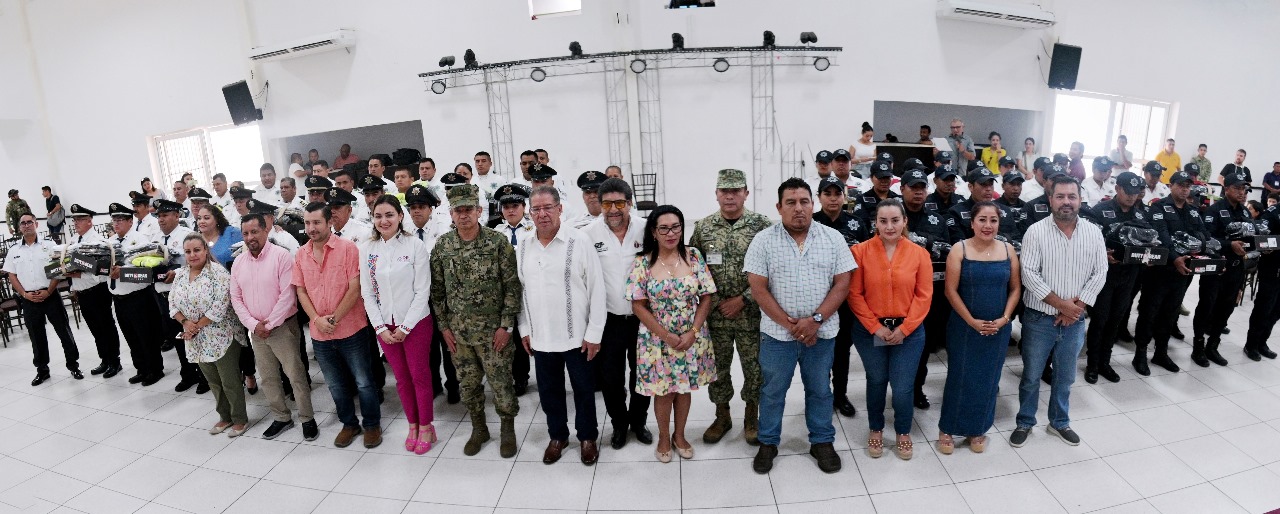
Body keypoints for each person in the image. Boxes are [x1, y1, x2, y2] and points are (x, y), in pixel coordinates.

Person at [745, 178, 855, 474]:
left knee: (820, 389)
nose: (798, 209)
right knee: (772, 390)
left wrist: (815, 320)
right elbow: (758, 288)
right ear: (779, 208)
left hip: (822, 332)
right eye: (790, 203)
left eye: (804, 202)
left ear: (813, 204)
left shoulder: (833, 239)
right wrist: (793, 325)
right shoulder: (763, 240)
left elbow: (842, 283)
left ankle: (821, 441)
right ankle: (768, 441)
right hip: (778, 335)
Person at [1009, 175, 1107, 448]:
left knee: (1065, 377)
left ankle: (1059, 422)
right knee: (1031, 376)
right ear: (1050, 199)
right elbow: (1029, 274)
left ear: (1080, 199)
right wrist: (1062, 305)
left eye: (1072, 197)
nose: (1066, 202)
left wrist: (1076, 308)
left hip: (1075, 320)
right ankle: (1025, 422)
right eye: (1060, 196)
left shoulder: (1093, 232)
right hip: (1040, 318)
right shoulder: (1035, 232)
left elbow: (1101, 272)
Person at [430, 185, 523, 458]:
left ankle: (507, 429)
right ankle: (479, 428)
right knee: (468, 386)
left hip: (494, 334)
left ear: (479, 211)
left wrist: (506, 327)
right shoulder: (443, 246)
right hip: (459, 336)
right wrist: (444, 328)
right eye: (458, 210)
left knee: (502, 384)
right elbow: (437, 292)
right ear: (451, 213)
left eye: (468, 209)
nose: (464, 215)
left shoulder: (497, 243)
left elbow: (512, 288)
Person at [517, 186, 607, 466]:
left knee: (583, 389)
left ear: (559, 209)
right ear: (529, 213)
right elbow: (520, 291)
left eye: (548, 208)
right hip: (541, 336)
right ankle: (557, 435)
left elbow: (597, 290)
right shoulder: (523, 245)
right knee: (549, 392)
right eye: (536, 209)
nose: (542, 214)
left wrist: (594, 333)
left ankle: (588, 437)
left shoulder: (579, 241)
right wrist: (524, 329)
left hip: (577, 335)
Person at [687, 169, 773, 445]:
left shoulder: (762, 225)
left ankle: (751, 415)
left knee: (755, 368)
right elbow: (695, 269)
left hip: (751, 313)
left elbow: (772, 268)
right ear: (716, 194)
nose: (730, 196)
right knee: (717, 368)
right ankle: (722, 415)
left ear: (746, 193)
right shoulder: (703, 227)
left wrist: (743, 298)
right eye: (724, 191)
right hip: (716, 316)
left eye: (736, 190)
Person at [627, 205, 717, 463]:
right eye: (663, 228)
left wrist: (694, 331)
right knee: (664, 390)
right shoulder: (642, 262)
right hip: (656, 338)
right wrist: (666, 335)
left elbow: (707, 295)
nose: (670, 233)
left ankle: (680, 435)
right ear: (654, 232)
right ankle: (664, 437)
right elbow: (637, 305)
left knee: (684, 387)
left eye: (675, 227)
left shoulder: (694, 256)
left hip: (691, 336)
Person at [846, 199, 932, 460]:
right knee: (877, 380)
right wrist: (875, 327)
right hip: (870, 331)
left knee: (904, 385)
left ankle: (903, 431)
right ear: (876, 223)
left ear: (905, 221)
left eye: (895, 220)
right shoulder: (860, 252)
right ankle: (876, 428)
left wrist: (905, 329)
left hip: (909, 331)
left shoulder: (919, 254)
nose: (889, 226)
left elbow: (924, 296)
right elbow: (854, 294)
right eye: (883, 221)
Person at [294, 203, 383, 448]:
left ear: (329, 222)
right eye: (307, 223)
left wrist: (334, 318)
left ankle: (372, 424)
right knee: (335, 383)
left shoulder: (348, 249)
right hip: (320, 333)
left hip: (351, 329)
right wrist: (316, 319)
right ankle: (349, 424)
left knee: (364, 381)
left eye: (316, 223)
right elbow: (301, 290)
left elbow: (356, 287)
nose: (311, 228)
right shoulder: (302, 254)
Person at [937, 202, 1020, 454]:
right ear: (972, 223)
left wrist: (1005, 319)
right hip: (964, 327)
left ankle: (977, 428)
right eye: (982, 220)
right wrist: (971, 321)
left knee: (988, 379)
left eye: (993, 220)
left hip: (998, 328)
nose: (987, 225)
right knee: (960, 377)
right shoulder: (959, 250)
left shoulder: (1008, 250)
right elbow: (950, 291)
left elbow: (1015, 288)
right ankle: (948, 427)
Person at [230, 214, 318, 442]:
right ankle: (281, 417)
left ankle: (307, 419)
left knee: (295, 375)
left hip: (282, 327)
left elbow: (288, 295)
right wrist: (253, 325)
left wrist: (268, 324)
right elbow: (236, 297)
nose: (250, 237)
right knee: (268, 378)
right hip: (256, 331)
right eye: (246, 233)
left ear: (265, 231)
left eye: (254, 232)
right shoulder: (239, 262)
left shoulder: (281, 257)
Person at [582, 178, 654, 449]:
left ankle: (639, 421)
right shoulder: (589, 234)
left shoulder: (646, 229)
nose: (614, 209)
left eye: (620, 203)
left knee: (642, 374)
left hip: (643, 319)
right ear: (599, 205)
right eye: (607, 204)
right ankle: (619, 424)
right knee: (611, 380)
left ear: (630, 203)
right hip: (608, 320)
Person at [360, 195, 435, 453]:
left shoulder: (415, 246)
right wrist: (380, 328)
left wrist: (405, 327)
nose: (384, 220)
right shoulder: (368, 249)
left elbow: (422, 290)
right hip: (385, 326)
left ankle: (426, 427)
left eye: (389, 215)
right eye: (378, 216)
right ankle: (413, 424)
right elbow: (367, 292)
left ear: (400, 216)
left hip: (415, 324)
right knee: (402, 380)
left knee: (420, 377)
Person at [169, 233, 248, 437]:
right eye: (188, 251)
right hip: (197, 339)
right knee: (213, 381)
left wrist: (196, 325)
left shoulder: (218, 274)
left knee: (229, 380)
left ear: (205, 250)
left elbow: (219, 308)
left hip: (222, 335)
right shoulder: (180, 274)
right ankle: (225, 416)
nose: (193, 255)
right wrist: (186, 322)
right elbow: (172, 303)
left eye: (197, 250)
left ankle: (239, 418)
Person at [1133, 170, 1207, 373]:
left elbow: (1202, 234)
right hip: (1160, 271)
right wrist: (1175, 257)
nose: (1185, 189)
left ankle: (1161, 353)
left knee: (1170, 313)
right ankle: (1140, 354)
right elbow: (1162, 236)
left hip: (1183, 272)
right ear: (1171, 186)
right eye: (1181, 185)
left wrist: (1204, 249)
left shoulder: (1192, 211)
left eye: (1188, 186)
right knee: (1149, 312)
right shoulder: (1159, 207)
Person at [1082, 172, 1151, 383]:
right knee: (1100, 320)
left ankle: (1105, 361)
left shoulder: (1140, 216)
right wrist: (1102, 253)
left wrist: (1148, 254)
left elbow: (1149, 242)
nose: (1131, 197)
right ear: (1118, 189)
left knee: (1116, 320)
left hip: (1128, 276)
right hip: (1104, 277)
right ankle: (1092, 364)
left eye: (1135, 193)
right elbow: (1086, 241)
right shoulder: (1100, 211)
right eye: (1128, 192)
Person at [812, 176, 867, 418]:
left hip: (847, 298)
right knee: (820, 349)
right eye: (828, 193)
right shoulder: (811, 223)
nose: (833, 198)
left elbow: (867, 260)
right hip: (817, 297)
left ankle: (840, 395)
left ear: (845, 196)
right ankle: (820, 395)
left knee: (842, 349)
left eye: (837, 193)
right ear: (819, 197)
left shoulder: (857, 224)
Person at [4, 212, 80, 386]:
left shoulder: (49, 245)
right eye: (22, 223)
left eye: (29, 222)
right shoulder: (14, 250)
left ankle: (73, 365)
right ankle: (42, 370)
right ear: (19, 227)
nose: (26, 225)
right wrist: (24, 294)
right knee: (36, 337)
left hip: (50, 295)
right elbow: (12, 276)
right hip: (28, 298)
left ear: (36, 224)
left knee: (64, 332)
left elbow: (57, 270)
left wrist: (49, 291)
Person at [403, 184, 459, 402]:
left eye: (422, 206)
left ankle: (453, 385)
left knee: (449, 345)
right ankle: (434, 383)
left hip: (443, 297)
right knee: (427, 347)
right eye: (413, 207)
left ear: (431, 208)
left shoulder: (445, 229)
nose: (417, 211)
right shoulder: (404, 232)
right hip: (417, 299)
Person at [1192, 168, 1251, 367]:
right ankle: (1198, 347)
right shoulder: (1214, 210)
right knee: (1207, 306)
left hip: (1236, 269)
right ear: (1226, 188)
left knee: (1226, 308)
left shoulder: (1244, 211)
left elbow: (1249, 236)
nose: (1242, 192)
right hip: (1216, 267)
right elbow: (1206, 238)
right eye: (1237, 188)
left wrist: (1259, 246)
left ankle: (1213, 345)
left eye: (1244, 189)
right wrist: (1229, 245)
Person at [150, 199, 208, 393]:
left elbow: (198, 262)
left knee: (193, 335)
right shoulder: (154, 238)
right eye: (159, 216)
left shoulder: (188, 236)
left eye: (165, 215)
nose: (161, 219)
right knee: (176, 337)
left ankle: (204, 376)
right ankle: (188, 373)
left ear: (176, 215)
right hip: (163, 294)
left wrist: (179, 272)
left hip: (185, 296)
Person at [106, 202, 166, 386]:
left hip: (138, 296)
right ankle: (141, 368)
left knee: (146, 334)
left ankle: (155, 369)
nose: (116, 223)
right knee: (130, 335)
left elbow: (147, 274)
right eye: (114, 220)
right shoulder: (110, 242)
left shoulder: (140, 241)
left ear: (130, 221)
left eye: (120, 220)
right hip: (119, 297)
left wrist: (121, 273)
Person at [65, 205, 123, 378]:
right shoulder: (74, 240)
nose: (76, 223)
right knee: (94, 328)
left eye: (80, 219)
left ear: (90, 221)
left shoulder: (98, 242)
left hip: (97, 290)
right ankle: (104, 359)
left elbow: (100, 270)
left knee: (106, 326)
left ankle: (115, 361)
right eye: (75, 219)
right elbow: (67, 264)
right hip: (82, 291)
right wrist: (73, 286)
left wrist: (79, 272)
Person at [1245, 202, 1280, 361]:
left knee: (1277, 309)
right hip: (1273, 268)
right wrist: (1266, 245)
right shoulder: (1273, 212)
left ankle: (1262, 342)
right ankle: (1251, 344)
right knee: (1264, 306)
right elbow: (1261, 237)